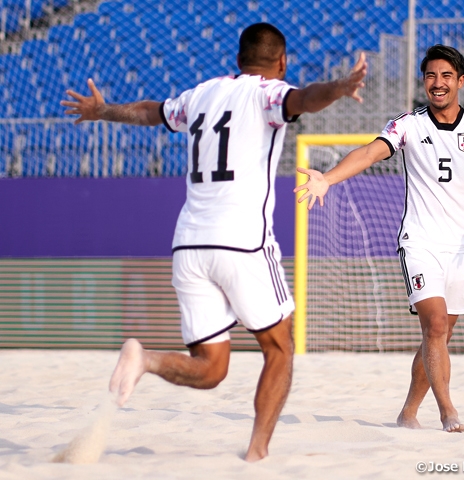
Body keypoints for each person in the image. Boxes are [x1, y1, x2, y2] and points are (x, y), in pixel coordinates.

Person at [61, 22, 367, 461]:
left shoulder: (200, 94)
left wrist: (103, 110)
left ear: (237, 60)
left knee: (210, 369)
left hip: (189, 245)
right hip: (241, 242)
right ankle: (257, 451)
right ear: (281, 64)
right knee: (279, 347)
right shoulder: (268, 94)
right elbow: (305, 99)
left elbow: (152, 112)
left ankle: (144, 359)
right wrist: (340, 86)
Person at [294, 44, 464, 433]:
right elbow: (369, 154)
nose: (438, 83)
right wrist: (328, 179)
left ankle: (407, 412)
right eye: (431, 76)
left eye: (446, 76)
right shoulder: (407, 124)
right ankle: (448, 410)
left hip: (459, 250)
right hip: (418, 242)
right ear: (424, 82)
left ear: (460, 81)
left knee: (440, 335)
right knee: (434, 326)